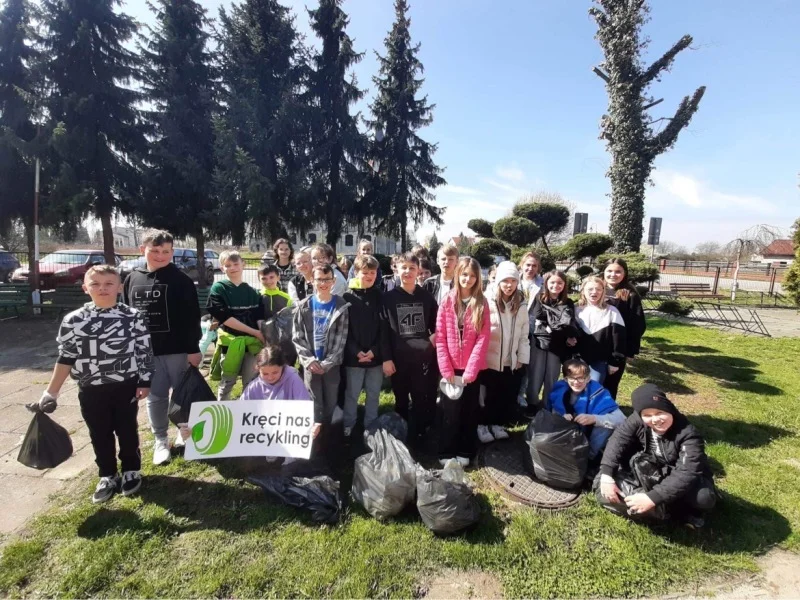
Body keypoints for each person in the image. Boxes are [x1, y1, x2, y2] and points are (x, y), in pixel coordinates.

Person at [40, 265, 153, 504]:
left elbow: (144, 352)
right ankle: (107, 474)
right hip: (91, 388)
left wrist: (145, 380)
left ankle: (131, 469)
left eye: (109, 284)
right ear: (85, 288)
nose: (102, 289)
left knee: (127, 429)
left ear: (120, 287)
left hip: (126, 385)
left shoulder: (133, 317)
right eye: (95, 284)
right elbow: (66, 357)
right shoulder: (74, 321)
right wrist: (51, 392)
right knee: (99, 432)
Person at [121, 229, 201, 465]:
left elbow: (192, 317)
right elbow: (127, 315)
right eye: (155, 251)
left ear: (172, 252)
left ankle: (185, 432)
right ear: (142, 250)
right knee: (156, 397)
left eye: (165, 251)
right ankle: (160, 440)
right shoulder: (131, 278)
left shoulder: (181, 280)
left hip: (178, 350)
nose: (160, 255)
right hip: (147, 353)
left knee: (183, 395)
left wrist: (193, 348)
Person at [597, 383, 717, 528]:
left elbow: (686, 472)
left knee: (703, 497)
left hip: (678, 474)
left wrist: (652, 498)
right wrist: (607, 474)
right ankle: (664, 506)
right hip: (653, 466)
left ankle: (685, 512)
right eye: (647, 415)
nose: (655, 420)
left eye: (660, 413)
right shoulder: (637, 419)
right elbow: (618, 439)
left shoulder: (688, 434)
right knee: (616, 453)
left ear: (668, 408)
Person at [436, 257, 490, 467]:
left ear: (478, 279)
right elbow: (440, 336)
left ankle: (465, 449)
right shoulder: (448, 301)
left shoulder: (482, 303)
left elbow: (483, 338)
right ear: (458, 275)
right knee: (449, 412)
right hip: (450, 368)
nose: (468, 279)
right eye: (464, 274)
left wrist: (472, 369)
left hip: (471, 370)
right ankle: (446, 450)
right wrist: (446, 367)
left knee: (469, 411)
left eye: (473, 275)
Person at [382, 252, 438, 441]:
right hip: (398, 359)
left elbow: (437, 324)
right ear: (396, 269)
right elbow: (383, 332)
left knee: (421, 396)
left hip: (422, 359)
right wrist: (387, 358)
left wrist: (431, 341)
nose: (407, 271)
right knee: (401, 399)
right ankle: (402, 433)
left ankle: (421, 432)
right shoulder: (388, 298)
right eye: (403, 267)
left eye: (412, 268)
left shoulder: (427, 297)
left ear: (418, 271)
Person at [292, 264, 350, 442]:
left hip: (331, 366)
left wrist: (327, 363)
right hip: (311, 366)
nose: (323, 283)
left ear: (333, 281)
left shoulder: (341, 306)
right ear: (312, 281)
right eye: (319, 280)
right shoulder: (303, 306)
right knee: (314, 400)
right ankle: (314, 437)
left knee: (331, 399)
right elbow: (297, 337)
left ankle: (329, 435)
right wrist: (308, 361)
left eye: (327, 280)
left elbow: (341, 339)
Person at [479, 261, 529, 443]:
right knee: (487, 395)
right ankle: (482, 425)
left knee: (504, 393)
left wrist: (521, 357)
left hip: (510, 359)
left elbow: (524, 333)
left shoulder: (521, 304)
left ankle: (497, 423)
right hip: (489, 359)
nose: (509, 285)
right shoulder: (486, 301)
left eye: (513, 281)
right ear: (498, 281)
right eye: (505, 281)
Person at [207, 250, 265, 400]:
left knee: (250, 381)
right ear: (222, 268)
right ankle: (222, 412)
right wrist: (254, 332)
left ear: (243, 264)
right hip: (230, 343)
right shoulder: (218, 288)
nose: (232, 267)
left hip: (252, 345)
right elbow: (225, 318)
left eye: (235, 264)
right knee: (227, 381)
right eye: (228, 265)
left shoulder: (253, 292)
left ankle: (247, 414)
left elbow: (259, 317)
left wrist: (263, 334)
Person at [342, 255, 387, 437]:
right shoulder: (347, 297)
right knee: (352, 394)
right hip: (354, 357)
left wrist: (375, 351)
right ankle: (348, 424)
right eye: (365, 272)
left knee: (373, 393)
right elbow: (346, 330)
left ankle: (371, 425)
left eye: (373, 272)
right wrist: (357, 351)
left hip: (375, 357)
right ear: (356, 272)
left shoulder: (380, 296)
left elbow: (384, 327)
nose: (369, 275)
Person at [548, 359, 624, 461]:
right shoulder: (559, 390)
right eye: (572, 378)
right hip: (568, 437)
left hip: (589, 436)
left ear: (588, 378)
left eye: (581, 378)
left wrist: (594, 419)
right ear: (566, 379)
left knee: (604, 426)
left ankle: (589, 457)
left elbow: (622, 420)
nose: (576, 382)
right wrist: (562, 416)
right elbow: (551, 411)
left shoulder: (598, 393)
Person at [528, 270, 578, 410]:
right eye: (552, 282)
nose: (556, 285)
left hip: (558, 343)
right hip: (539, 341)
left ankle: (546, 404)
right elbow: (538, 315)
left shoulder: (567, 302)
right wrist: (558, 321)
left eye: (560, 283)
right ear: (546, 283)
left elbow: (569, 323)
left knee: (552, 375)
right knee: (535, 373)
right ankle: (532, 403)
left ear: (564, 285)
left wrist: (567, 333)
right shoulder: (539, 298)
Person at [603, 258, 647, 399]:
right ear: (604, 271)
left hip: (617, 347)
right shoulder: (595, 289)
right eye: (609, 271)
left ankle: (607, 414)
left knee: (610, 383)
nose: (613, 274)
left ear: (624, 273)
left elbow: (637, 324)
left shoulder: (630, 295)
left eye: (618, 271)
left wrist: (630, 350)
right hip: (595, 343)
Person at [575, 276, 626, 384]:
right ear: (583, 291)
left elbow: (619, 338)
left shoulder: (612, 311)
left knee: (594, 389)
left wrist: (615, 362)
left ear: (603, 291)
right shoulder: (576, 310)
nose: (594, 292)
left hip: (599, 361)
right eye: (590, 289)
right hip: (578, 359)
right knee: (577, 388)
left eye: (598, 289)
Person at [240, 345, 310, 401]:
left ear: (282, 366)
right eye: (265, 374)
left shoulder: (294, 380)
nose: (270, 377)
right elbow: (242, 408)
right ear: (258, 369)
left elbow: (304, 405)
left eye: (275, 372)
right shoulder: (253, 386)